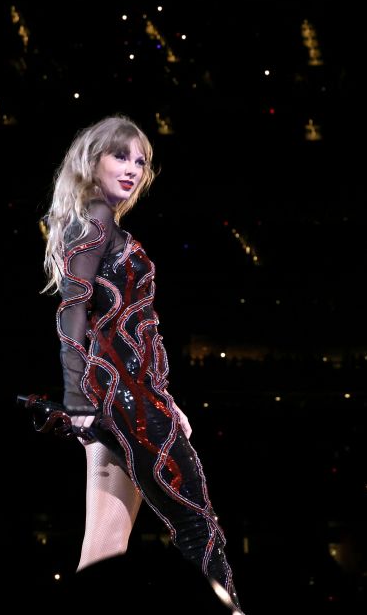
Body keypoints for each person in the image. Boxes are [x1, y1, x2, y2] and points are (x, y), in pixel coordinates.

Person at [39, 114, 242, 610]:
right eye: (120, 156)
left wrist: (163, 398)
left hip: (119, 397)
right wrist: (76, 395)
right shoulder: (95, 219)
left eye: (141, 161)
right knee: (197, 526)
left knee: (104, 548)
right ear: (92, 161)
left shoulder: (92, 222)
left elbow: (126, 328)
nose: (132, 168)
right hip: (122, 399)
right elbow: (73, 309)